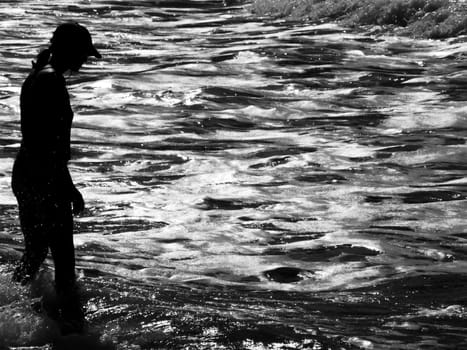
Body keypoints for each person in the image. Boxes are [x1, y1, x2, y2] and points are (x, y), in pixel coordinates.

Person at [11, 22, 101, 332]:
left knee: (34, 255)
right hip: (45, 177)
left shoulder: (37, 76)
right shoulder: (51, 82)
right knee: (63, 261)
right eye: (82, 55)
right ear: (70, 50)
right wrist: (67, 186)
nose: (83, 62)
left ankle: (10, 309)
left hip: (26, 173)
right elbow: (49, 145)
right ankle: (76, 331)